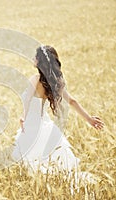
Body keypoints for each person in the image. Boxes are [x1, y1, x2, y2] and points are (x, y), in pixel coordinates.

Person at [12, 45, 104, 175]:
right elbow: (72, 101)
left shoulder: (35, 79)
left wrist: (23, 117)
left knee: (32, 166)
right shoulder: (56, 82)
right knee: (53, 167)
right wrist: (89, 119)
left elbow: (27, 100)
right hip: (46, 126)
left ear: (40, 61)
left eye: (35, 57)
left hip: (31, 126)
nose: (33, 58)